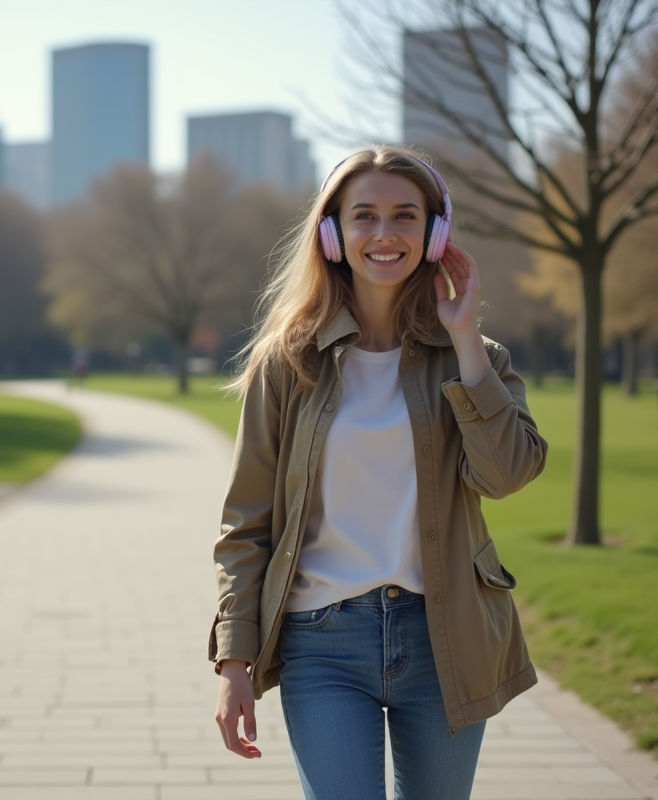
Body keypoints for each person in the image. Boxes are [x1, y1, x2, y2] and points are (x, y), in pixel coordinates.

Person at [210, 146, 549, 799]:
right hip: (321, 642)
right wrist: (233, 659)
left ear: (435, 233)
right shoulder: (288, 364)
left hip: (442, 637)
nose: (386, 233)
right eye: (364, 215)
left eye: (405, 215)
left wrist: (466, 337)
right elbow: (245, 522)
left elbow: (506, 474)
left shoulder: (476, 358)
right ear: (333, 234)